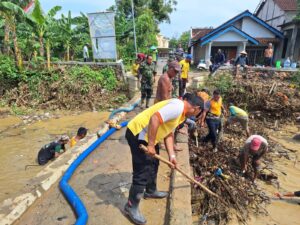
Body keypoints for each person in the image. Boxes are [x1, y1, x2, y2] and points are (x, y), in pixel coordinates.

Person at [124, 94, 203, 224]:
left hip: (150, 135)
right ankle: (130, 207)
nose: (195, 116)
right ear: (196, 108)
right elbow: (155, 118)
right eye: (198, 113)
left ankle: (150, 190)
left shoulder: (181, 114)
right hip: (138, 133)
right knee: (142, 171)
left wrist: (172, 156)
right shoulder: (177, 107)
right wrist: (150, 145)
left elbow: (168, 134)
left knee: (154, 163)